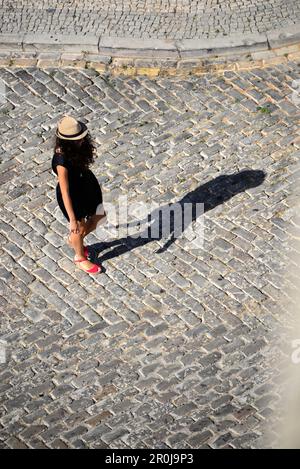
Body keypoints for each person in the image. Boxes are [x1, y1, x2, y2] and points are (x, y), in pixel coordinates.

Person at [51, 115, 106, 274]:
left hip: (87, 186)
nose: (81, 141)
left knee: (101, 216)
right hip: (74, 196)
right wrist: (73, 220)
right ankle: (80, 257)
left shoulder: (78, 147)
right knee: (78, 228)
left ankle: (75, 240)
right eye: (76, 139)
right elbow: (65, 191)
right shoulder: (61, 160)